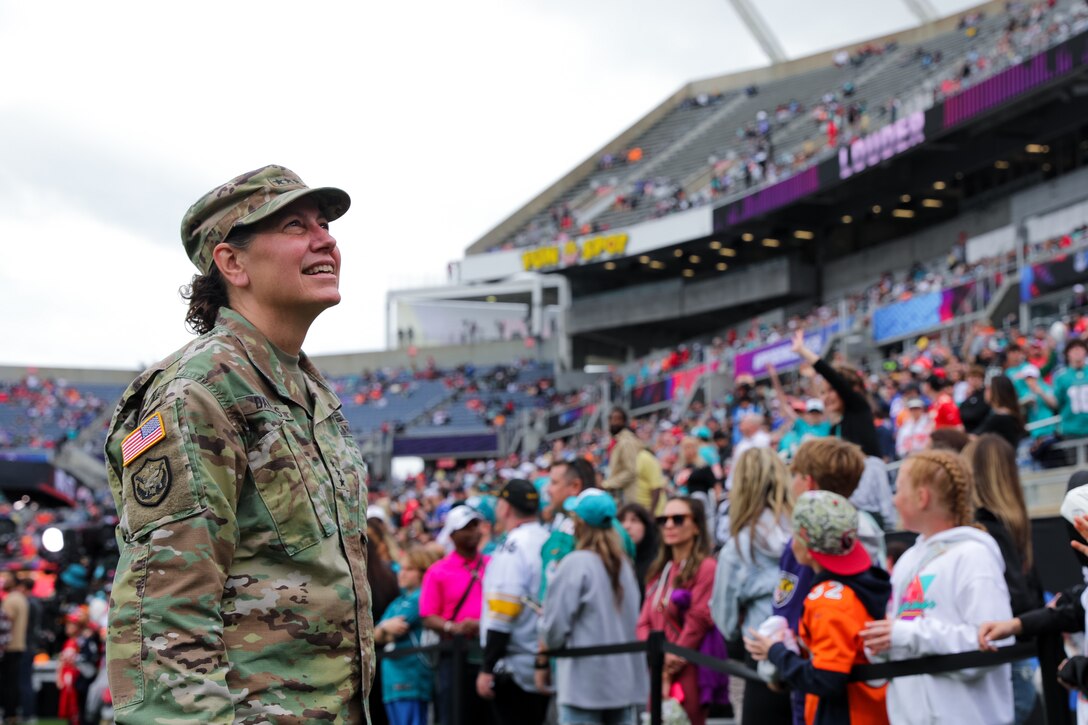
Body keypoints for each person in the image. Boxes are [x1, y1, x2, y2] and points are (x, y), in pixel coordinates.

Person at [103, 165, 373, 723]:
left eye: (324, 224)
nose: (325, 239)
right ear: (233, 263)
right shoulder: (198, 393)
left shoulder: (309, 391)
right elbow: (164, 617)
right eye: (296, 226)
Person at [859, 450, 1013, 725]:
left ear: (923, 497)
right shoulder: (909, 560)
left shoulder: (974, 557)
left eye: (899, 489)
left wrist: (907, 635)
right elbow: (902, 630)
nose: (893, 500)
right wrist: (881, 645)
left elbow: (992, 642)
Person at [745, 491, 891, 725]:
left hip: (846, 715)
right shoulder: (863, 582)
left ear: (805, 543)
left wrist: (776, 651)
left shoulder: (828, 601)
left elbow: (826, 679)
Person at [771, 437, 885, 725]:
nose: (791, 482)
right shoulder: (866, 525)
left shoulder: (809, 540)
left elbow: (788, 609)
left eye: (795, 475)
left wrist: (777, 653)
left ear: (808, 482)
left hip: (818, 669)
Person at [540, 489, 649, 725]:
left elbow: (554, 631)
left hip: (584, 685)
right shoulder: (625, 565)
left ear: (580, 523)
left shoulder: (575, 563)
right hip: (621, 683)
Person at [963, 434, 1043, 723]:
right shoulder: (1001, 525)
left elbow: (1019, 595)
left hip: (1004, 656)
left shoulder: (987, 528)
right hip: (1010, 654)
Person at [710, 447, 793, 723]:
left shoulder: (739, 548)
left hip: (763, 658)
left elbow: (724, 620)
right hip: (808, 656)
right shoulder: (802, 532)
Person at [637, 497, 717, 725]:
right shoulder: (660, 569)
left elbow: (699, 620)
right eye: (663, 520)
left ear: (696, 526)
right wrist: (657, 657)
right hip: (658, 666)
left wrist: (670, 663)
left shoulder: (706, 567)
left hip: (687, 668)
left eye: (678, 519)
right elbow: (642, 622)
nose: (669, 525)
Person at [477, 480, 551, 725]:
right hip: (543, 658)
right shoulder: (548, 537)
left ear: (505, 508)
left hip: (515, 667)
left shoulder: (513, 545)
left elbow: (503, 611)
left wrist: (487, 667)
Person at [419, 505, 492, 725]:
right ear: (452, 534)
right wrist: (453, 627)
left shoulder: (492, 563)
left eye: (475, 526)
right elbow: (428, 615)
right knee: (453, 714)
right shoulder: (438, 571)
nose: (473, 532)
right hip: (454, 654)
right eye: (465, 528)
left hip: (487, 651)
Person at [375, 545, 444, 725]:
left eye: (409, 569)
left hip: (413, 681)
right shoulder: (398, 601)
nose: (402, 573)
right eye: (401, 568)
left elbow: (393, 631)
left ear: (423, 571)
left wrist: (382, 631)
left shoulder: (421, 598)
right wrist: (384, 629)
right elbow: (374, 636)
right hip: (392, 683)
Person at [791, 330, 881, 458]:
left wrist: (802, 350)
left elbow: (832, 376)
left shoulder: (859, 409)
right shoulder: (835, 428)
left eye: (831, 390)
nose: (826, 397)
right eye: (823, 392)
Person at [0, 572, 27, 722]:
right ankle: (14, 714)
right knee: (15, 682)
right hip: (19, 645)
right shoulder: (21, 598)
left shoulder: (10, 600)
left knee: (8, 684)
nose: (3, 582)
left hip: (9, 647)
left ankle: (9, 714)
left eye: (7, 579)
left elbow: (5, 623)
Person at [619, 502, 660, 600]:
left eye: (634, 520)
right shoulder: (613, 561)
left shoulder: (657, 561)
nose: (627, 526)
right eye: (622, 520)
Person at [973, 374, 1025, 449]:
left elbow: (975, 437)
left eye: (988, 388)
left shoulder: (1000, 417)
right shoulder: (1010, 414)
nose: (985, 391)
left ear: (996, 391)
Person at [958, 365, 990, 431]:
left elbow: (976, 414)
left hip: (978, 429)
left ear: (982, 379)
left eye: (977, 377)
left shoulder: (984, 393)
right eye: (972, 377)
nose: (974, 380)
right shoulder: (965, 393)